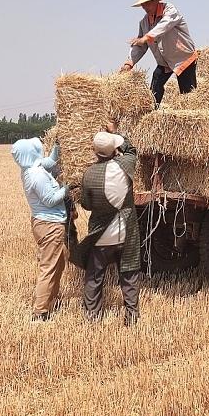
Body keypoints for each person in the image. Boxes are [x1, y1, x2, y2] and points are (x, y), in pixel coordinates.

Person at [72, 123, 142, 326]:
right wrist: (115, 133)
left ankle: (92, 317)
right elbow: (131, 149)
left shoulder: (89, 175)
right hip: (127, 231)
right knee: (128, 273)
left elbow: (86, 203)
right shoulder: (127, 163)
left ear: (95, 151)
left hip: (101, 234)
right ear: (114, 149)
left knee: (95, 275)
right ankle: (132, 316)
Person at [11, 137, 70, 322]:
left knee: (59, 263)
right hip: (50, 225)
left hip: (46, 223)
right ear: (31, 153)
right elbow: (51, 199)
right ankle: (40, 312)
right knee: (48, 267)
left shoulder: (31, 168)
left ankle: (51, 300)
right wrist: (69, 187)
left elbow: (50, 161)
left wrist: (57, 146)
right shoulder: (36, 175)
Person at [120, 0, 198, 106]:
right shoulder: (144, 23)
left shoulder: (170, 10)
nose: (146, 7)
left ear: (157, 1)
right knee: (154, 92)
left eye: (149, 3)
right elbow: (140, 46)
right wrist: (129, 62)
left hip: (183, 58)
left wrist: (146, 37)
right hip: (164, 62)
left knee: (188, 96)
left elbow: (164, 26)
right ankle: (152, 113)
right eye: (143, 4)